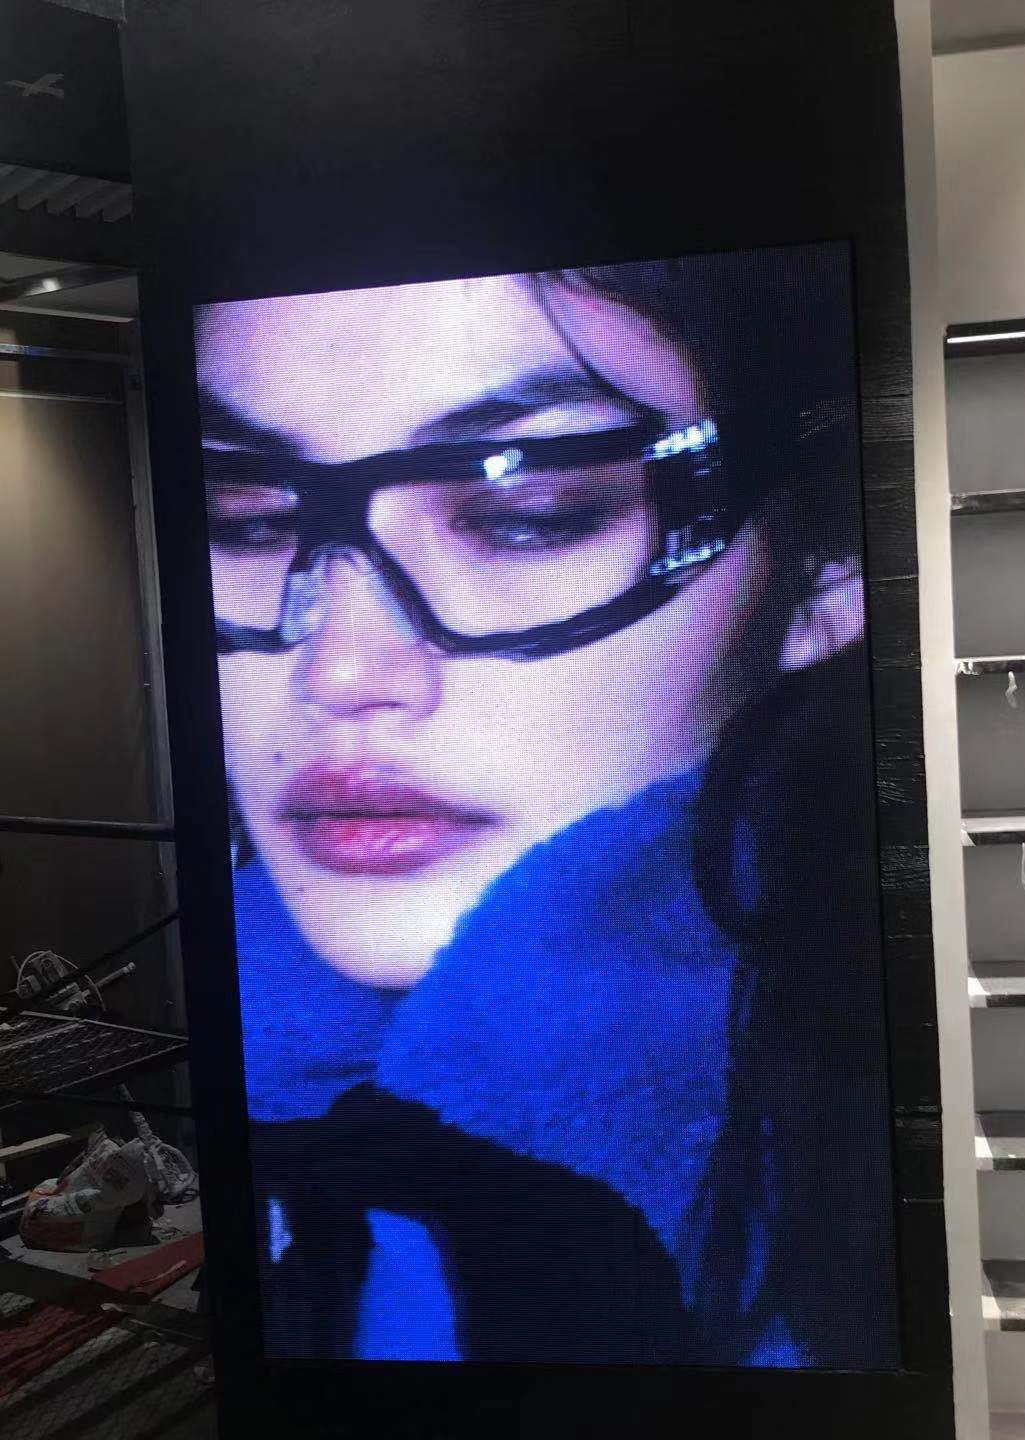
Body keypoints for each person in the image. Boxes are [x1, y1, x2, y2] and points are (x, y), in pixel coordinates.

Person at [194, 251, 897, 1366]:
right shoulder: (250, 1094)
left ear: (826, 574)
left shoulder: (906, 1205)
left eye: (530, 512)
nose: (341, 669)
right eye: (243, 516)